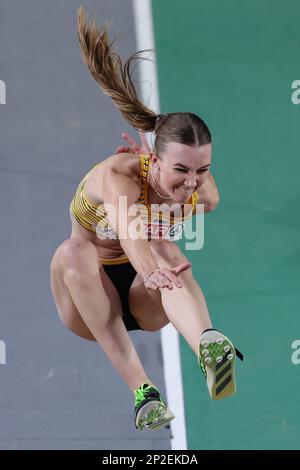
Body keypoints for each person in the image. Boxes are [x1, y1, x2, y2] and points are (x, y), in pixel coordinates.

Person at [50, 7, 242, 431]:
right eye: (182, 170)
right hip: (87, 299)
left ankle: (208, 346)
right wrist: (149, 269)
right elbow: (130, 228)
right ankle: (144, 393)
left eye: (202, 169)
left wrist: (155, 269)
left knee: (164, 245)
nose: (192, 182)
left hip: (147, 300)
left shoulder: (200, 190)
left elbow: (209, 199)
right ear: (153, 159)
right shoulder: (117, 176)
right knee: (73, 251)